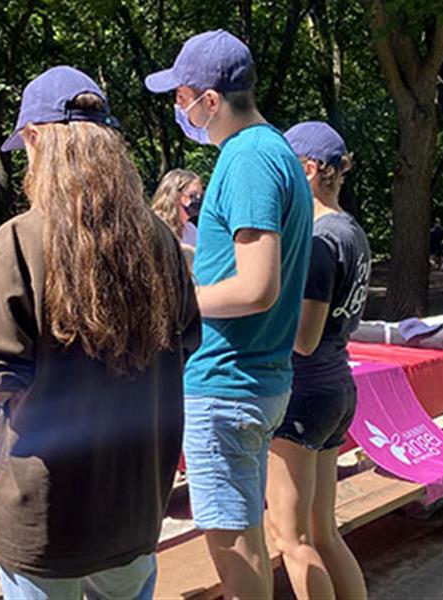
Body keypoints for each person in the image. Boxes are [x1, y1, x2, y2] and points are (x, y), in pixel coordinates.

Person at [0, 66, 200, 599]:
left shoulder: (20, 240)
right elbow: (185, 344)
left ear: (36, 137)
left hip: (48, 511)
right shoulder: (161, 240)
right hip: (134, 504)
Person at [146, 30, 313, 599]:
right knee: (245, 536)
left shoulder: (247, 160)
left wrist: (170, 301)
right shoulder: (273, 151)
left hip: (228, 382)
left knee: (234, 546)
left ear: (210, 100)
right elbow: (245, 270)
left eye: (181, 97)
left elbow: (257, 286)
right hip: (254, 378)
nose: (179, 109)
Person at [265, 122, 369, 600]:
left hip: (303, 394)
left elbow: (303, 339)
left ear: (307, 170)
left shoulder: (316, 241)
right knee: (323, 531)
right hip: (336, 387)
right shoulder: (351, 231)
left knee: (291, 538)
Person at [151, 168, 203, 248]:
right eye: (193, 195)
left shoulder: (191, 230)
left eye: (200, 195)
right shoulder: (155, 226)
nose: (198, 199)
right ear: (175, 195)